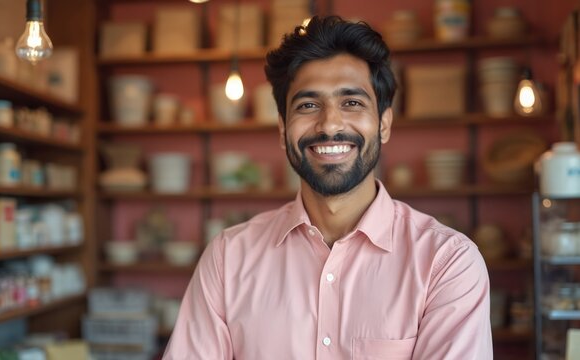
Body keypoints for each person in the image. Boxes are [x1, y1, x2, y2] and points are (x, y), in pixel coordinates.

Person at [163, 15, 492, 359]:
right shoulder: (229, 258)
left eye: (352, 103)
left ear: (384, 124)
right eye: (308, 105)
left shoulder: (446, 262)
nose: (330, 124)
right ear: (282, 129)